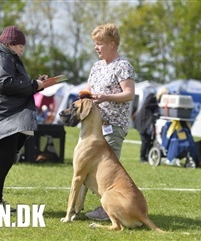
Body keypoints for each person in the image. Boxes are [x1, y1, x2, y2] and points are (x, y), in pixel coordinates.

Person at [0, 26, 57, 208]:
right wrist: (34, 85)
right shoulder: (0, 57)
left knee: (5, 159)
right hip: (0, 116)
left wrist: (37, 84)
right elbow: (6, 84)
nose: (22, 49)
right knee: (0, 160)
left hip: (6, 115)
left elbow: (14, 83)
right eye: (19, 46)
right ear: (9, 44)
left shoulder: (7, 57)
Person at [83, 23, 135, 221]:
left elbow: (129, 94)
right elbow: (89, 91)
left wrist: (105, 97)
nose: (96, 47)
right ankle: (77, 206)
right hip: (93, 127)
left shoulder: (123, 66)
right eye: (95, 43)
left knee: (106, 173)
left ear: (112, 44)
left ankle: (109, 210)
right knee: (86, 167)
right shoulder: (96, 67)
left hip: (113, 126)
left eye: (100, 43)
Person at [133, 87, 169, 163]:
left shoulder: (158, 100)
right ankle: (142, 158)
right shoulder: (152, 96)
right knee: (145, 140)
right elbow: (146, 105)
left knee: (150, 140)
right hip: (142, 122)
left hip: (148, 123)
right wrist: (158, 105)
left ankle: (147, 156)